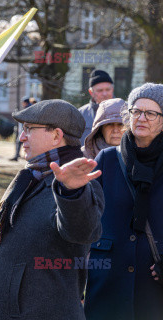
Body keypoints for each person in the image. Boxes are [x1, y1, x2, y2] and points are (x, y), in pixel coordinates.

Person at [0, 99, 104, 320]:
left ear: (56, 135)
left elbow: (82, 233)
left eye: (29, 129)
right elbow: (18, 249)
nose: (21, 137)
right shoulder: (31, 175)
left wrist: (71, 192)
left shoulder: (80, 186)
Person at [84, 83, 163, 320]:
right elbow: (84, 216)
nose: (142, 118)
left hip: (154, 287)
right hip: (108, 282)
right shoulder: (107, 159)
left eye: (151, 113)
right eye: (136, 111)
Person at [79, 69, 114, 144]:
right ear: (91, 92)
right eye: (100, 90)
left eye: (108, 89)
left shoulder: (125, 110)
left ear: (112, 89)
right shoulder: (80, 114)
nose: (105, 94)